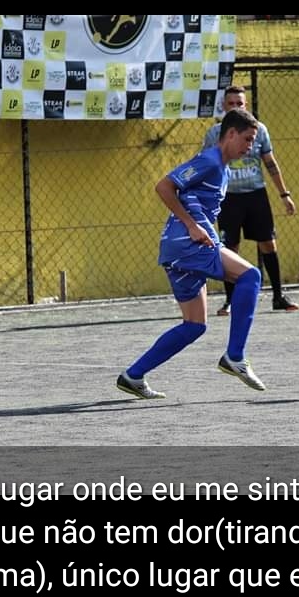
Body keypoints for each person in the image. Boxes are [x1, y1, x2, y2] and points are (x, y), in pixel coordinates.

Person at [117, 108, 266, 400]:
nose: (250, 147)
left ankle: (132, 376)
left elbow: (191, 198)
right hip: (188, 244)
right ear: (231, 133)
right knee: (250, 276)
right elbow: (164, 186)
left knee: (194, 325)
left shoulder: (221, 169)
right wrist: (192, 225)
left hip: (179, 249)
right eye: (247, 139)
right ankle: (235, 356)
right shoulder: (210, 161)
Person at [203, 85, 298, 316]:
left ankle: (278, 296)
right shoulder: (215, 133)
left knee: (268, 243)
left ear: (246, 106)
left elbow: (270, 163)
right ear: (224, 106)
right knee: (229, 247)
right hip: (229, 198)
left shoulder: (259, 130)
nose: (235, 107)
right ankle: (230, 301)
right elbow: (207, 165)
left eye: (240, 103)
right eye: (231, 103)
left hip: (256, 194)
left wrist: (284, 194)